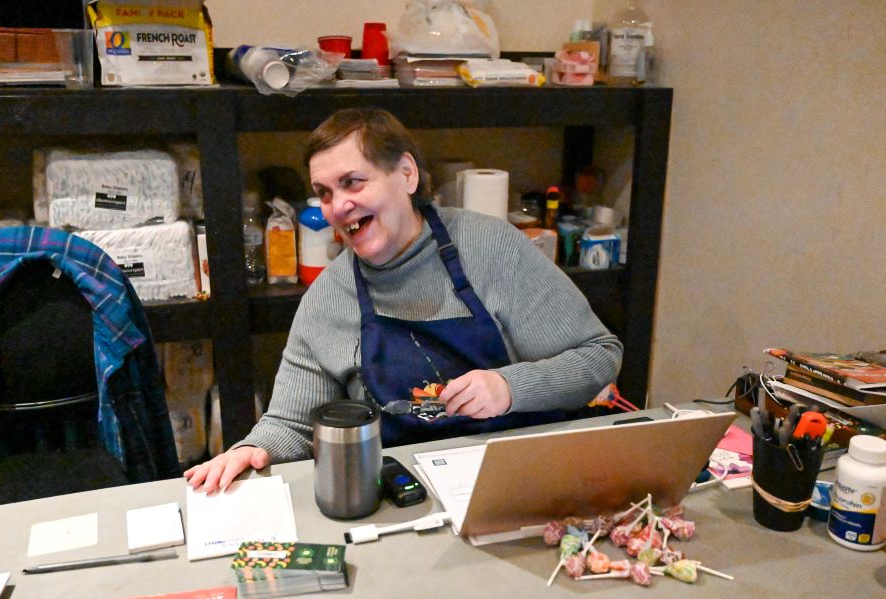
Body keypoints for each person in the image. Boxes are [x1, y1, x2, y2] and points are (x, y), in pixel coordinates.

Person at [185, 108, 622, 493]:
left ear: (407, 174)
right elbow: (292, 423)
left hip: (522, 483)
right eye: (324, 192)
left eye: (353, 182)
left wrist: (509, 388)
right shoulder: (329, 299)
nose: (338, 206)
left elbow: (598, 357)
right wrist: (250, 449)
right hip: (403, 498)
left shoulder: (490, 249)